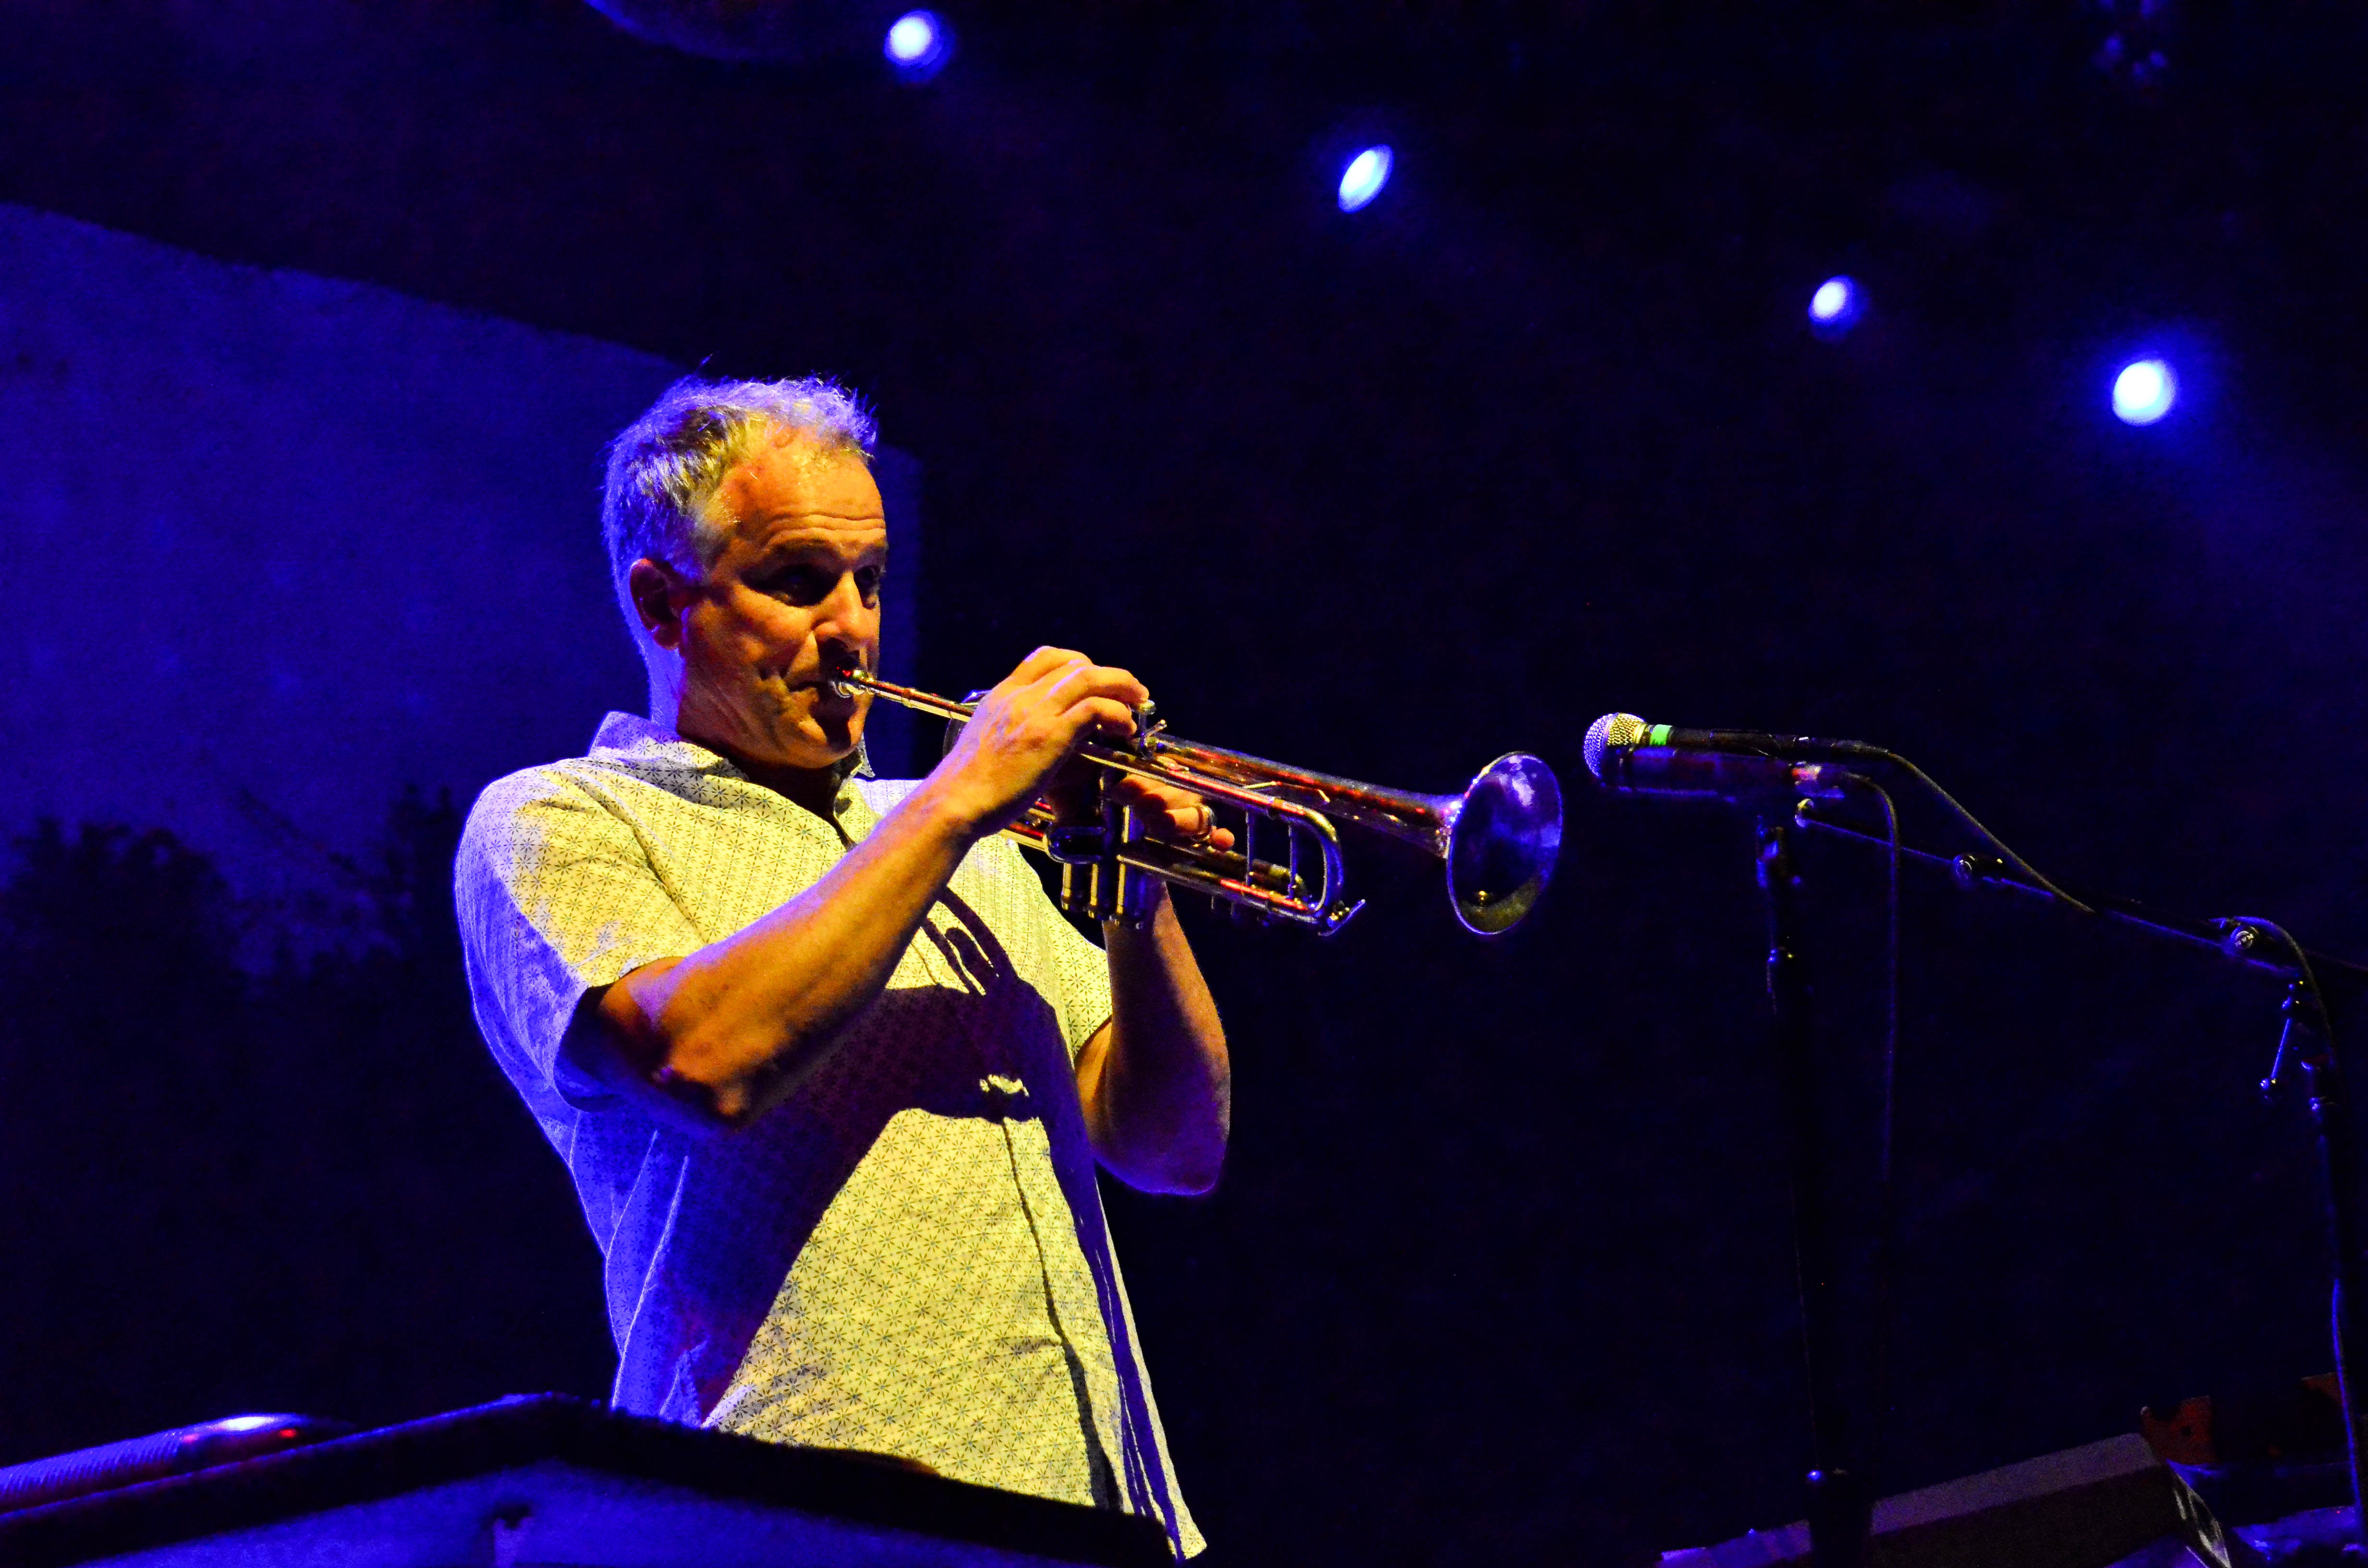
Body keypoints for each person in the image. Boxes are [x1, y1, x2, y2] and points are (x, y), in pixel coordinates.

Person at [454, 376, 1224, 1556]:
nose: (854, 626)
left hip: (1095, 1512)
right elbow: (700, 1060)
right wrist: (964, 796)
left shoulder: (954, 838)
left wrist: (1135, 888)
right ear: (662, 605)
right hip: (787, 1520)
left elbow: (1172, 1147)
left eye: (870, 581)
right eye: (800, 580)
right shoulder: (559, 819)